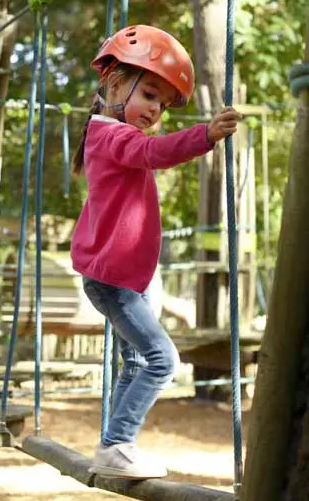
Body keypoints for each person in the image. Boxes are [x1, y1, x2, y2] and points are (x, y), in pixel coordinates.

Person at [70, 24, 240, 479]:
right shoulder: (112, 137)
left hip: (127, 278)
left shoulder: (112, 136)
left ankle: (114, 444)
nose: (154, 110)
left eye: (162, 104)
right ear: (114, 84)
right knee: (163, 359)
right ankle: (116, 443)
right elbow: (157, 152)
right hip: (113, 281)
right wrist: (206, 135)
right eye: (149, 94)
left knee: (139, 359)